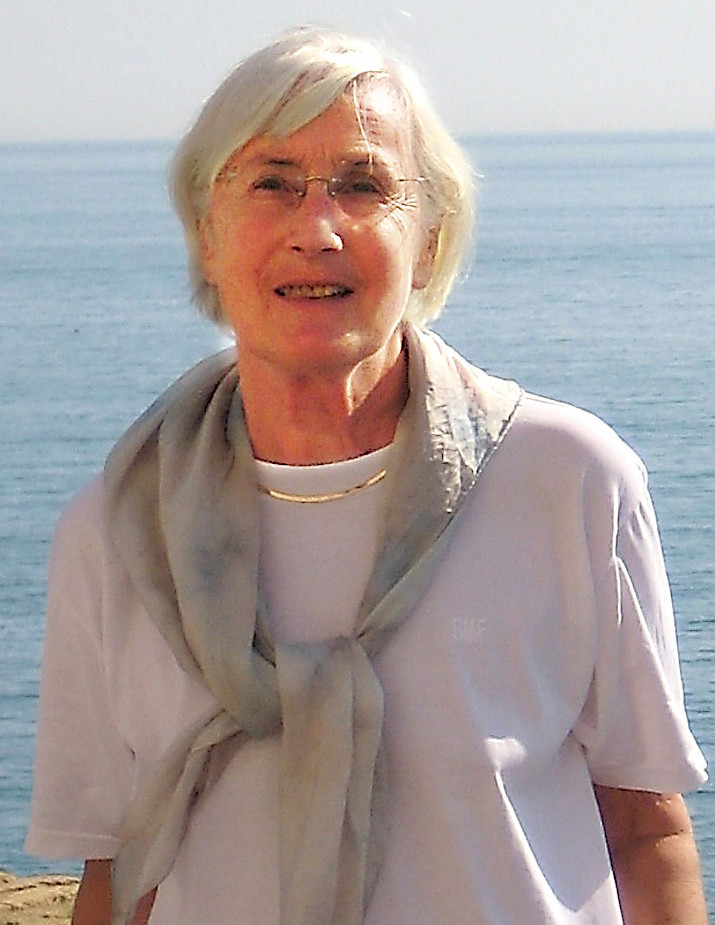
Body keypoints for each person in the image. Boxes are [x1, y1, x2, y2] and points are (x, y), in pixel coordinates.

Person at [26, 26, 708, 925]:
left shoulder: (567, 480)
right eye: (272, 183)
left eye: (363, 184)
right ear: (205, 232)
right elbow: (119, 869)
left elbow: (645, 828)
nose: (316, 229)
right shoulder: (120, 529)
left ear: (427, 241)